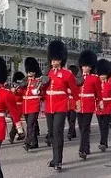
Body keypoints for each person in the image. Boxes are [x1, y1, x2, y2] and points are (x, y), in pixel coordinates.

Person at [43, 40, 79, 171]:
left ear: (60, 60)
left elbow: (75, 91)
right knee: (52, 133)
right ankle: (55, 157)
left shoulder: (67, 74)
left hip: (61, 106)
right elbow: (43, 90)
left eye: (56, 59)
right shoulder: (48, 73)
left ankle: (58, 160)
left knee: (58, 132)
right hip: (49, 106)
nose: (53, 61)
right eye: (52, 59)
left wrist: (77, 103)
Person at [77, 50, 102, 160]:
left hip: (89, 105)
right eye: (83, 66)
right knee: (82, 127)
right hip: (79, 105)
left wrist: (99, 103)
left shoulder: (95, 78)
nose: (84, 68)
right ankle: (86, 147)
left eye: (86, 66)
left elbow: (98, 93)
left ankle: (82, 149)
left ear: (90, 67)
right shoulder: (78, 78)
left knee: (85, 128)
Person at [96, 59, 111, 152]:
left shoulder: (110, 85)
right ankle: (104, 141)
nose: (102, 76)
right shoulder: (96, 84)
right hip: (98, 108)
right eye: (101, 74)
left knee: (105, 126)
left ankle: (103, 143)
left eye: (104, 74)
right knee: (101, 126)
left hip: (108, 107)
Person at [20, 57, 42, 151]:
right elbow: (20, 93)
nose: (29, 73)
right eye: (28, 71)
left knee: (30, 124)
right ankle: (35, 143)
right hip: (25, 106)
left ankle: (28, 142)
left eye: (31, 71)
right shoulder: (25, 81)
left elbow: (42, 93)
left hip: (34, 106)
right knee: (31, 125)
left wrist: (39, 92)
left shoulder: (38, 81)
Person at [9, 71, 26, 144]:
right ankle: (21, 132)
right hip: (13, 105)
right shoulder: (14, 86)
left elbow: (22, 95)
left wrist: (16, 91)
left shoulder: (22, 87)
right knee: (15, 120)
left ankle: (11, 136)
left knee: (15, 121)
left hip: (19, 106)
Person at [67, 65, 79, 141]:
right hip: (68, 102)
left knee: (72, 119)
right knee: (69, 118)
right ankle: (73, 132)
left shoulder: (77, 80)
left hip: (74, 101)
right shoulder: (67, 79)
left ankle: (70, 132)